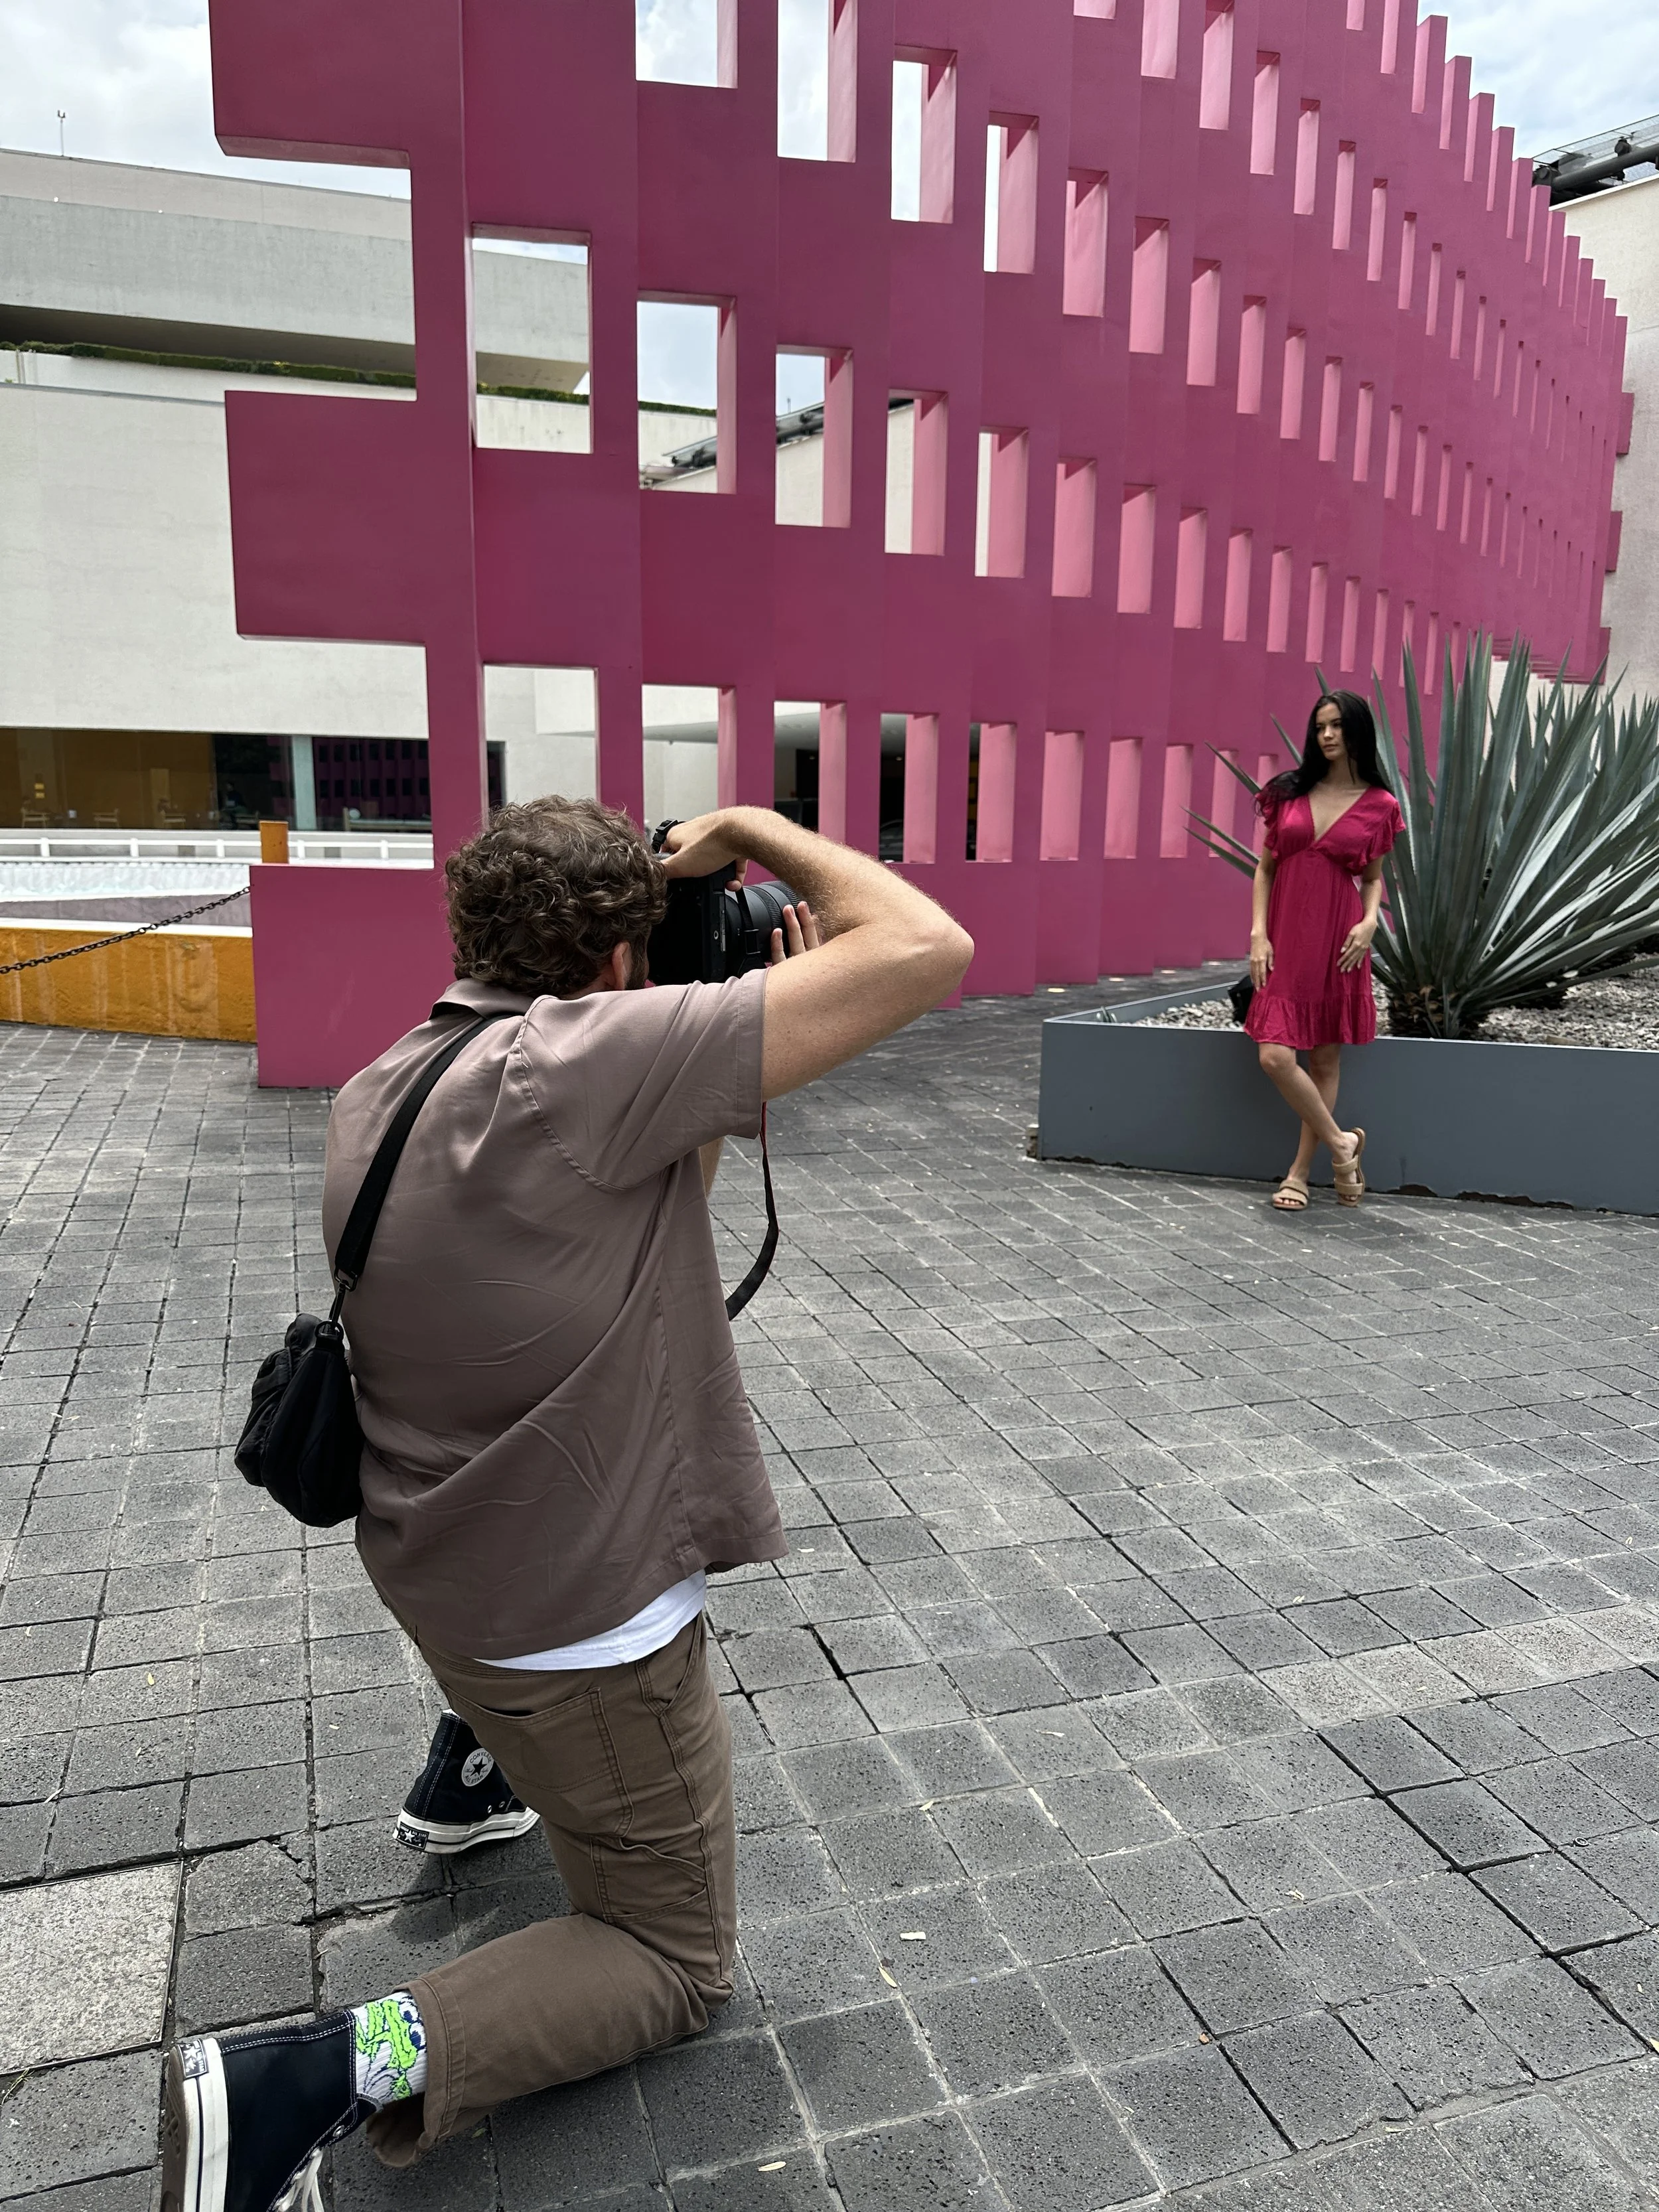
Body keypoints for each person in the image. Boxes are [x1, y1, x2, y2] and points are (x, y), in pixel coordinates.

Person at [161, 796, 973, 2212]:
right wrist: (751, 826)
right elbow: (923, 943)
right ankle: (303, 2079)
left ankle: (470, 1773)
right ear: (612, 961)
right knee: (669, 1956)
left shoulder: (393, 1075)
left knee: (528, 1529)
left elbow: (647, 1204)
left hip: (442, 1553)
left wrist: (709, 1036)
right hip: (575, 1620)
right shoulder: (588, 1062)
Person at [1244, 690, 1404, 1211]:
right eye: (1320, 727)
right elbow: (1265, 869)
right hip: (1285, 940)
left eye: (1337, 726)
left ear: (1358, 731)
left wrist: (1369, 922)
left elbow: (1374, 879)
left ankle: (1298, 1173)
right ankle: (1343, 1144)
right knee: (1275, 1055)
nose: (1328, 735)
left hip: (1339, 943)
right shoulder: (1289, 792)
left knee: (1326, 1058)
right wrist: (1258, 933)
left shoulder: (1380, 805)